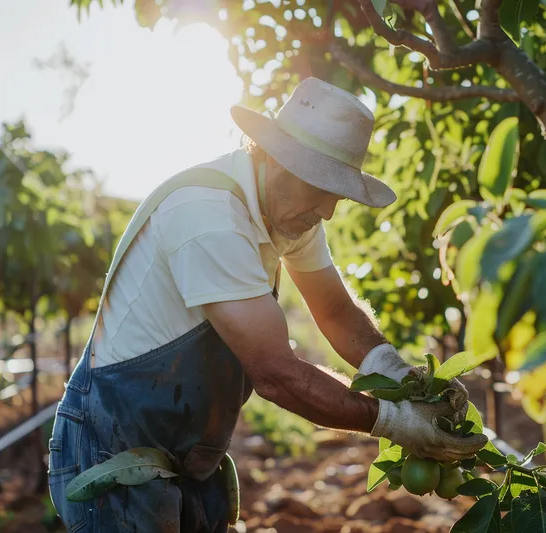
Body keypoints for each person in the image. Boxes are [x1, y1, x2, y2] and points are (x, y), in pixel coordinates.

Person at [47, 77, 487, 532]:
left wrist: (398, 374)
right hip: (115, 445)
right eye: (324, 189)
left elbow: (334, 309)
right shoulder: (209, 216)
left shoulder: (289, 212)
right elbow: (276, 374)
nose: (330, 211)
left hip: (185, 455)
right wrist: (395, 420)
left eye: (337, 193)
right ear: (275, 159)